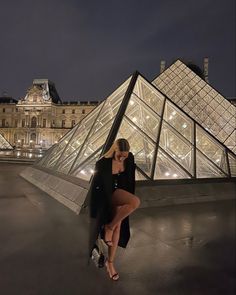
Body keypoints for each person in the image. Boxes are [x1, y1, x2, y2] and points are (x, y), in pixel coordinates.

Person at [88, 138, 140, 281]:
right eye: (120, 155)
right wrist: (94, 210)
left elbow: (130, 180)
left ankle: (110, 263)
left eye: (125, 154)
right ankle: (109, 228)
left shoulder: (129, 159)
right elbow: (95, 188)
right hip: (106, 197)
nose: (122, 157)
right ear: (114, 150)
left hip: (120, 195)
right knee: (135, 202)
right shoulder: (102, 163)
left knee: (118, 226)